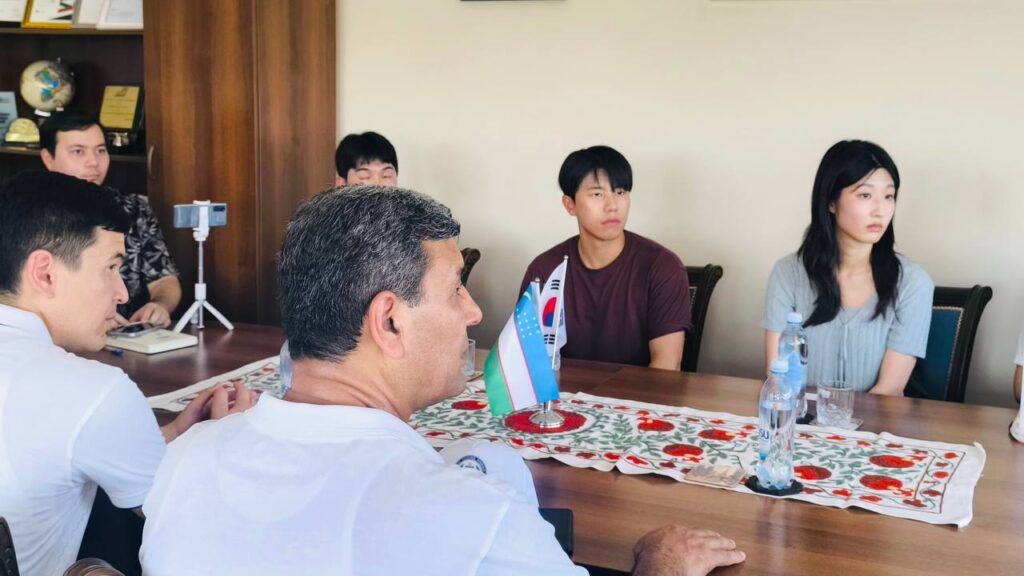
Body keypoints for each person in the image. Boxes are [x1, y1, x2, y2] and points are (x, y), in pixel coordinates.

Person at [139, 186, 744, 575]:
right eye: (456, 288)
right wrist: (660, 564)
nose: (474, 312)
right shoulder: (465, 514)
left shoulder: (183, 462)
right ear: (390, 321)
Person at [0, 171, 252, 576]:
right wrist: (219, 440)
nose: (121, 293)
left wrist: (168, 436)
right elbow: (182, 513)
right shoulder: (92, 390)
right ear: (45, 273)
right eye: (111, 267)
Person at [762, 140, 933, 395]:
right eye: (865, 195)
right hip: (800, 416)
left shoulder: (913, 283)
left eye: (889, 196)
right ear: (831, 202)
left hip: (878, 419)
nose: (880, 211)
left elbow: (889, 389)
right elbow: (778, 376)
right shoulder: (787, 274)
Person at [520, 145, 691, 370]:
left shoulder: (662, 267)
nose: (612, 206)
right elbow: (525, 358)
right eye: (597, 194)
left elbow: (667, 364)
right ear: (570, 205)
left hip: (638, 392)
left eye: (620, 192)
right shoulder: (544, 270)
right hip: (559, 391)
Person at [39, 111, 181, 328]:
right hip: (59, 338)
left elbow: (165, 279)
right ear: (48, 158)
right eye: (78, 151)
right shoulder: (29, 215)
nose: (93, 162)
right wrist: (92, 319)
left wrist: (159, 306)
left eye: (101, 150)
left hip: (127, 333)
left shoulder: (134, 209)